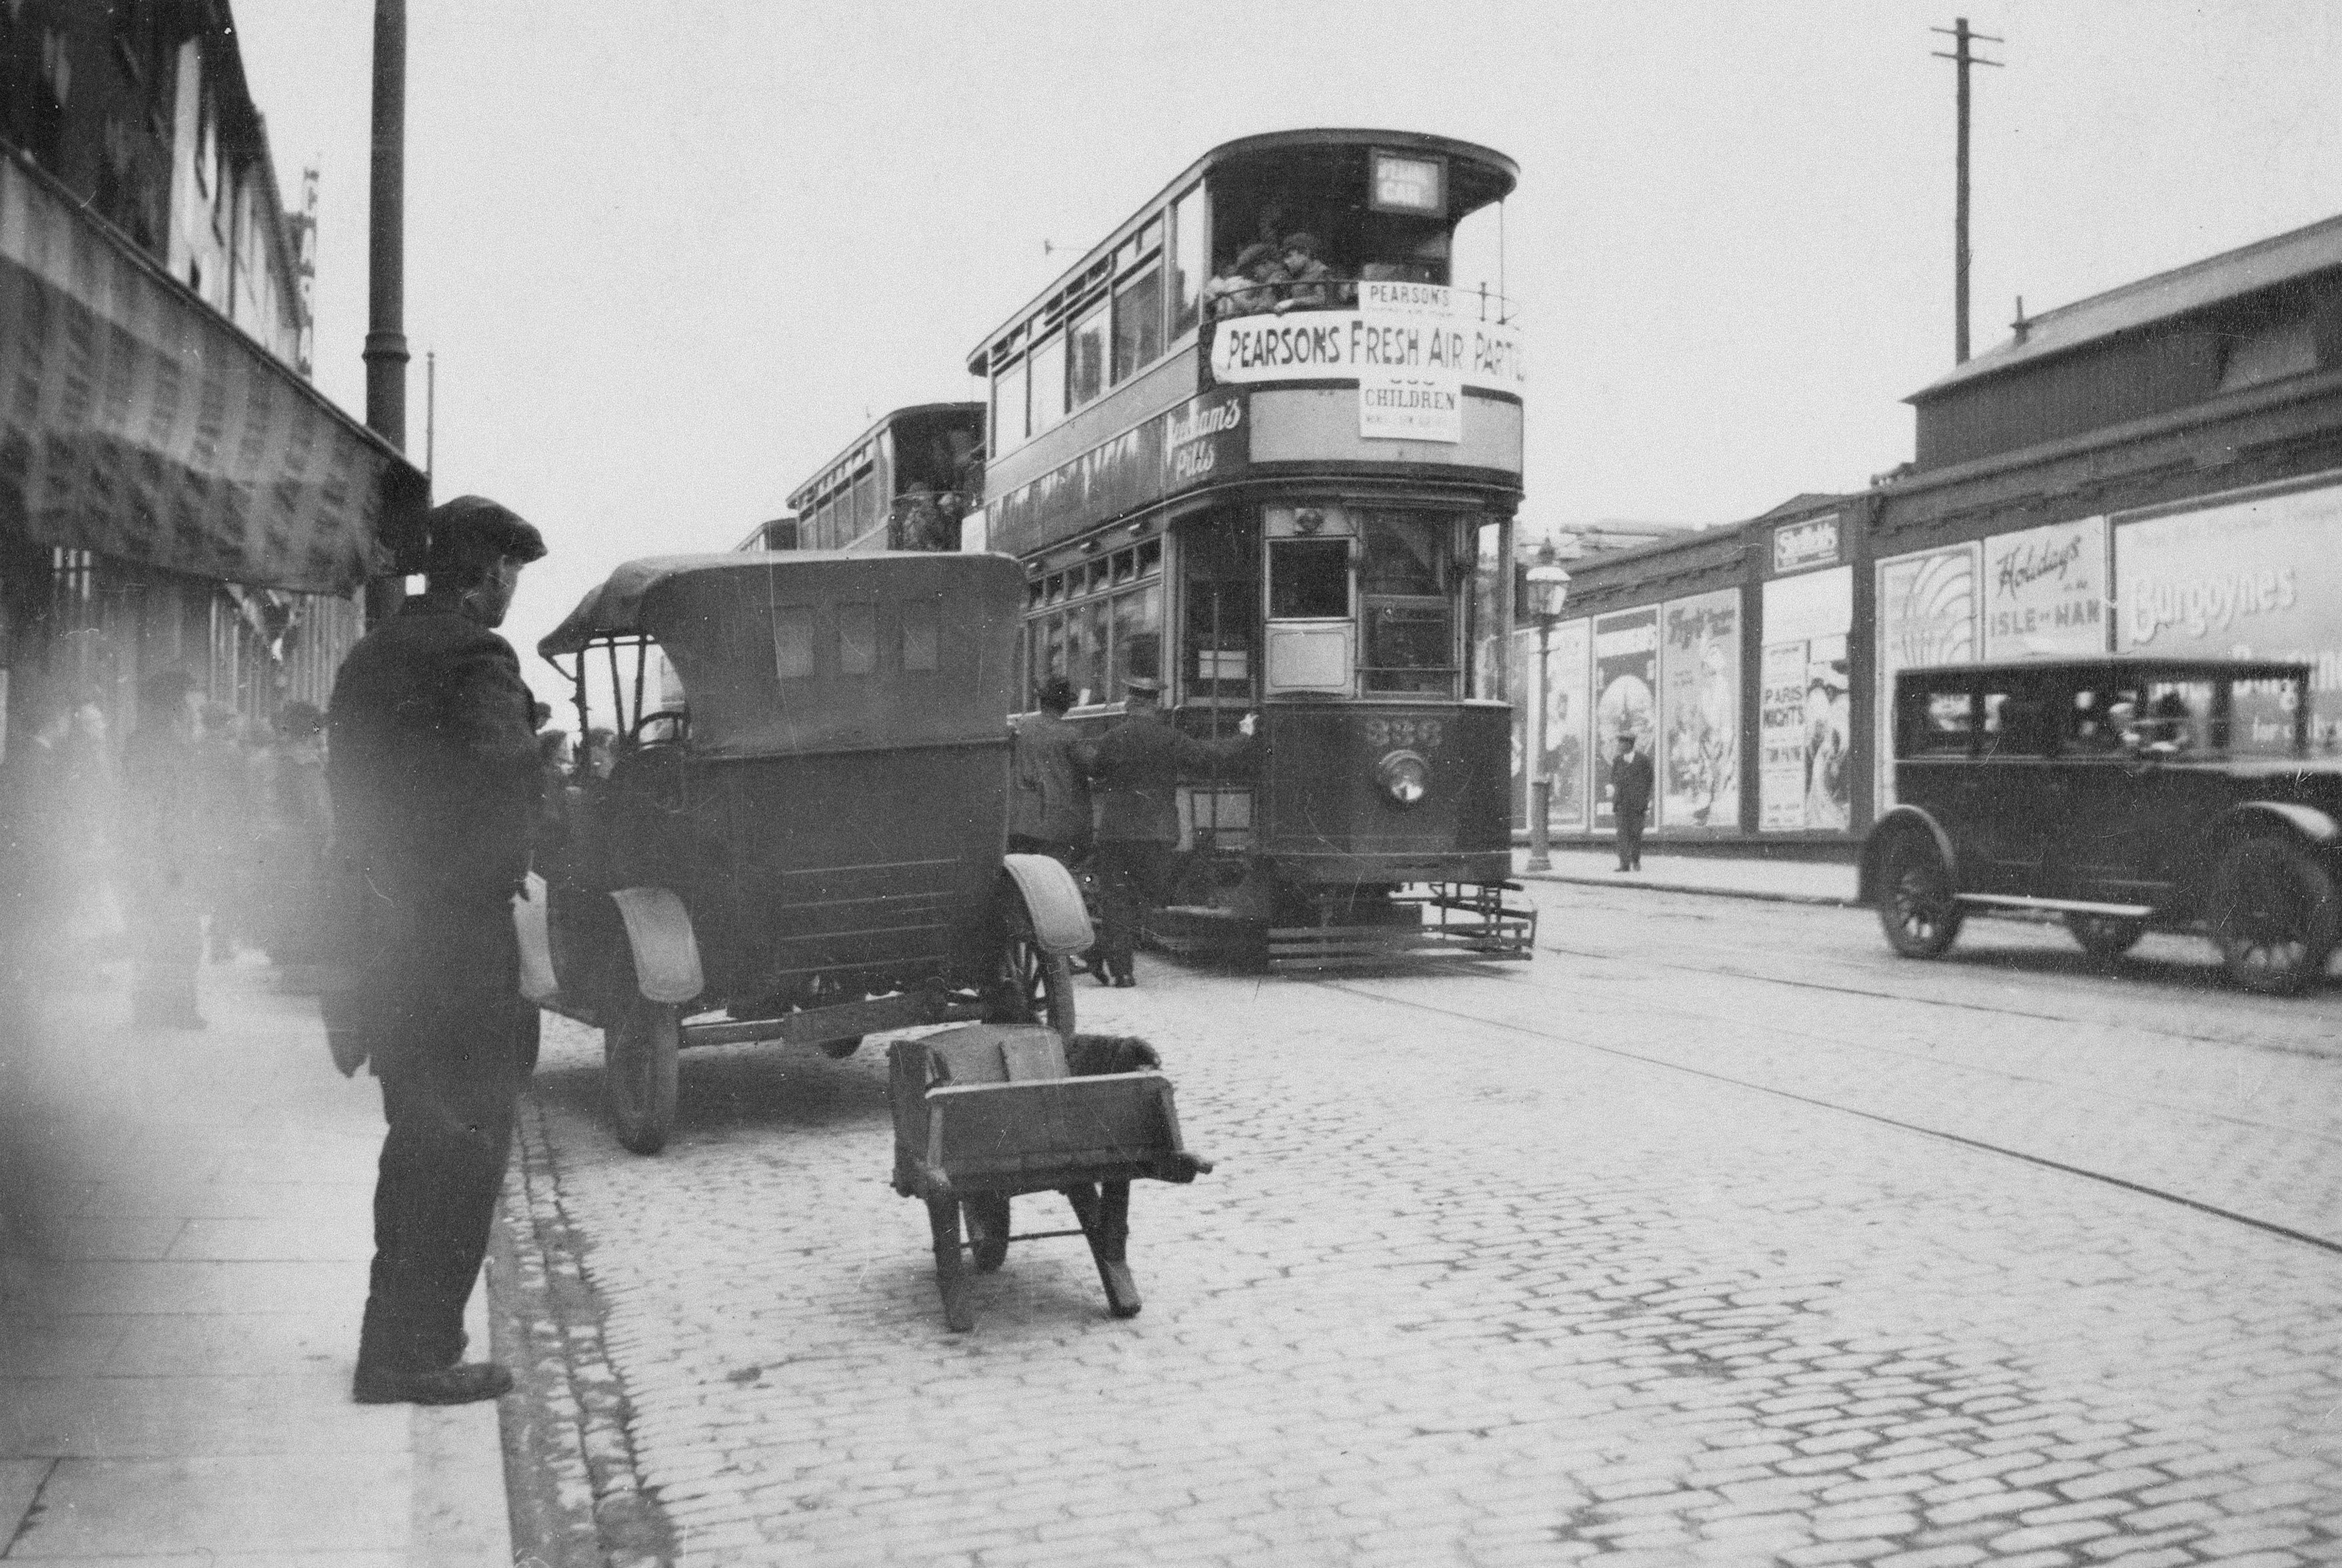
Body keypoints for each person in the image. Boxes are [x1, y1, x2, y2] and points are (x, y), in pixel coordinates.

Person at [327, 494, 547, 1406]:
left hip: (387, 940)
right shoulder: (476, 654)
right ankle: (414, 1355)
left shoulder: (368, 656)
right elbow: (505, 782)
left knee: (412, 1140)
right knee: (462, 1150)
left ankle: (395, 1337)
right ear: (485, 570)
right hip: (459, 944)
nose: (511, 592)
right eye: (511, 574)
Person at [1086, 676, 1254, 987]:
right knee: (1151, 894)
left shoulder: (1113, 737)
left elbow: (1095, 770)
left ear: (1129, 704)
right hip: (1155, 833)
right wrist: (1244, 737)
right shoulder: (1169, 738)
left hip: (1116, 833)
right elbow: (1210, 756)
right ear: (1155, 705)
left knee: (1116, 899)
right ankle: (1116, 959)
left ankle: (1118, 966)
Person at [119, 669, 206, 1026]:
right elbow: (162, 808)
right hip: (165, 857)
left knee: (157, 932)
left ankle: (154, 1007)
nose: (193, 710)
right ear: (174, 707)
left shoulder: (141, 742)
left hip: (153, 855)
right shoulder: (166, 748)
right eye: (188, 703)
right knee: (179, 933)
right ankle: (175, 1008)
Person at [1009, 677, 1094, 866]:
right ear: (1065, 706)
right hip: (1057, 826)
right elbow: (1094, 766)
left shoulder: (1021, 728)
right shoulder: (1070, 735)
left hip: (1021, 823)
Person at [1609, 730, 1653, 873]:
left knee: (1635, 834)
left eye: (1623, 743)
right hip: (1622, 804)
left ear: (1630, 744)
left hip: (1637, 805)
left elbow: (1649, 780)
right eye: (1619, 743)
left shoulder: (1643, 760)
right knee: (1622, 834)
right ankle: (1624, 864)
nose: (1620, 746)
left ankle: (1635, 860)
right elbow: (1614, 779)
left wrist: (1643, 799)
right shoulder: (1617, 761)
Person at [1272, 232, 1335, 312]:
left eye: (1290, 256)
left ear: (1305, 253)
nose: (1286, 262)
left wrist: (1292, 302)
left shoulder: (1321, 272)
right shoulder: (1295, 275)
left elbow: (1321, 299)